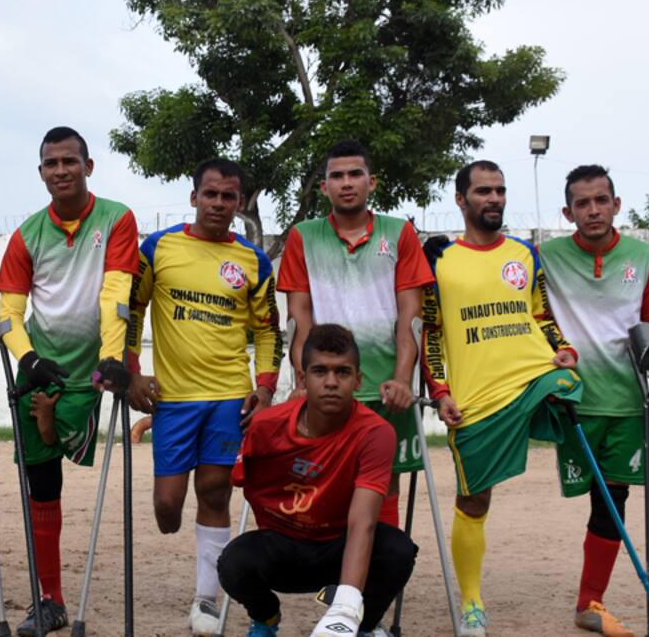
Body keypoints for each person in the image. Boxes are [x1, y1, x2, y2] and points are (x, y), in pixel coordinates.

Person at [421, 160, 581, 636]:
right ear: (461, 199)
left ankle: (586, 483)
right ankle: (472, 601)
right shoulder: (440, 260)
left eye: (500, 190)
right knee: (474, 500)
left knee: (571, 387)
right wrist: (440, 392)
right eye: (484, 191)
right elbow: (431, 333)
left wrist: (565, 350)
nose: (494, 198)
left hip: (533, 375)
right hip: (476, 398)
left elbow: (541, 315)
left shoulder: (524, 254)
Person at [126, 157, 283, 635]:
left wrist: (264, 387)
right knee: (167, 508)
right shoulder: (158, 248)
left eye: (228, 196)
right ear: (194, 197)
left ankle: (206, 601)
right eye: (210, 194)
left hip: (228, 396)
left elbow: (269, 330)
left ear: (239, 203)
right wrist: (131, 372)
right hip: (173, 399)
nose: (218, 203)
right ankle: (180, 533)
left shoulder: (253, 260)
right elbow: (132, 310)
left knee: (215, 491)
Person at [0, 126, 139, 636]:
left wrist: (111, 359)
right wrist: (28, 358)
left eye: (69, 161)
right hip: (41, 368)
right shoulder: (27, 234)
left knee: (66, 443)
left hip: (93, 370)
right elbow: (9, 314)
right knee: (43, 484)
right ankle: (50, 599)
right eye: (51, 163)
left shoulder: (117, 218)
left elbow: (116, 294)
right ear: (41, 172)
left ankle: (55, 420)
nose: (61, 170)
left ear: (88, 166)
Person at [540, 165, 649, 637]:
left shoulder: (642, 256)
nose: (593, 210)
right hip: (570, 401)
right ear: (568, 212)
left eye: (601, 200)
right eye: (582, 203)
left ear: (616, 204)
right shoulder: (545, 257)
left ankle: (589, 604)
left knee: (611, 503)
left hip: (624, 403)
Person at [217, 323, 417, 637]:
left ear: (358, 380)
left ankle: (358, 626)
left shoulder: (376, 433)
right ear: (302, 379)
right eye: (320, 371)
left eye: (343, 372)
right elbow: (241, 483)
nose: (331, 382)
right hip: (284, 547)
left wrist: (344, 608)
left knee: (398, 551)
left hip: (341, 547)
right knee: (233, 562)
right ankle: (266, 618)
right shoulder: (266, 426)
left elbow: (363, 522)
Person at [277, 139, 434, 529]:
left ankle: (381, 565)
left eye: (355, 174)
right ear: (324, 186)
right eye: (337, 176)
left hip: (385, 387)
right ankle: (335, 565)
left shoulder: (399, 233)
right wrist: (303, 380)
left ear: (371, 181)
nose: (346, 183)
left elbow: (410, 317)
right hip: (327, 384)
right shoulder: (303, 236)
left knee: (384, 484)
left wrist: (402, 379)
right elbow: (298, 319)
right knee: (325, 481)